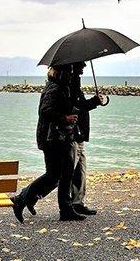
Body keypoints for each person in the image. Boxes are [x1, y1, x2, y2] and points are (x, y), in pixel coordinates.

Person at [10, 64, 86, 223]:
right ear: (61, 73)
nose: (71, 75)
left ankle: (66, 210)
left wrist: (90, 103)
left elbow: (74, 106)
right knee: (53, 175)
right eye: (69, 72)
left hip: (62, 137)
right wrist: (65, 118)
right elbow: (45, 111)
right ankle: (22, 198)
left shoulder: (62, 87)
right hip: (52, 139)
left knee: (66, 174)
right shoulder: (54, 89)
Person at [69, 61, 102, 215]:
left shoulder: (74, 83)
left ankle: (77, 202)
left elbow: (79, 105)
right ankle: (28, 196)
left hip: (80, 134)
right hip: (75, 133)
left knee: (79, 171)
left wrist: (94, 102)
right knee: (65, 173)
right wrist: (94, 102)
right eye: (81, 64)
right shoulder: (71, 84)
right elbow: (78, 107)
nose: (84, 67)